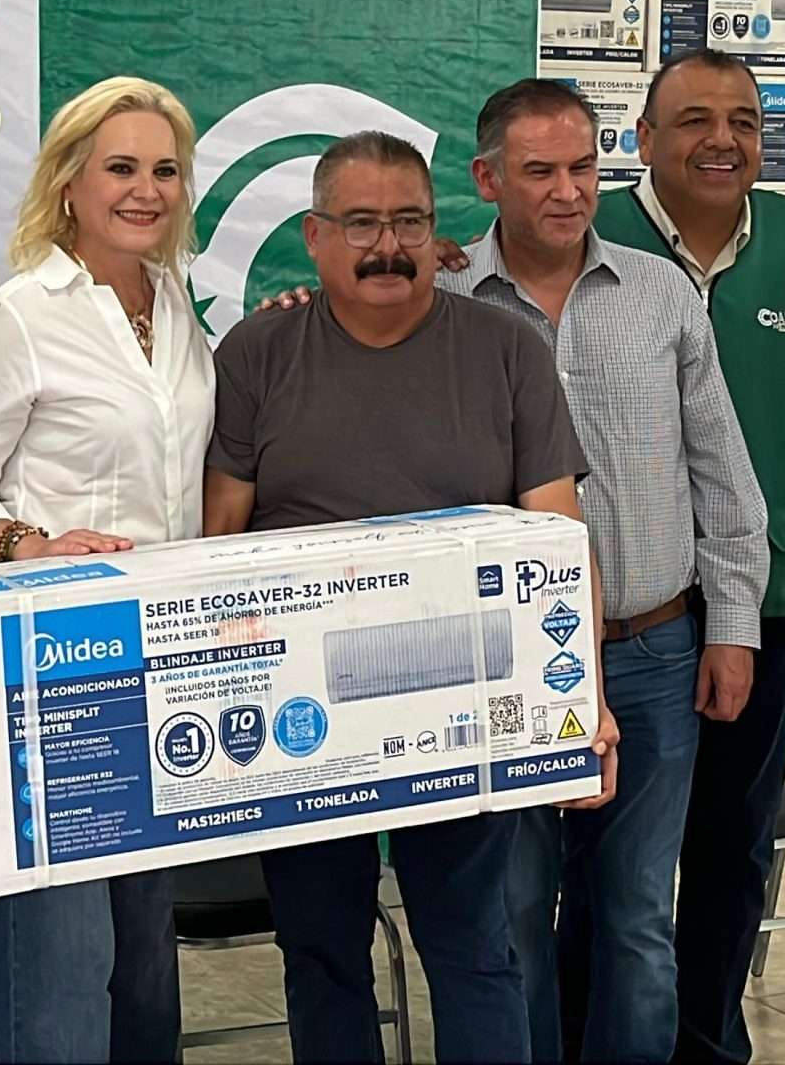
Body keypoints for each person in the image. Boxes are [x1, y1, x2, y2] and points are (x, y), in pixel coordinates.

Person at [204, 129, 608, 1065]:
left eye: (409, 223)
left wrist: (585, 695)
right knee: (321, 950)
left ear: (437, 232)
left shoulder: (506, 348)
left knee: (474, 947)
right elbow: (220, 544)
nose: (387, 247)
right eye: (361, 224)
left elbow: (558, 539)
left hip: (462, 704)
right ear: (314, 236)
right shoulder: (259, 350)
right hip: (301, 718)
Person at [440, 79, 766, 1064]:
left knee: (636, 919)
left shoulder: (662, 293)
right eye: (538, 171)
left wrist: (732, 627)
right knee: (513, 916)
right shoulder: (443, 302)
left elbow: (722, 472)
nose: (567, 191)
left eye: (582, 167)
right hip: (497, 664)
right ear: (487, 179)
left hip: (654, 650)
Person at [0, 77, 209, 1063]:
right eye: (121, 168)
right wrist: (25, 544)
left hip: (161, 665)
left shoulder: (176, 303)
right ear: (68, 184)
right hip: (46, 679)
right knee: (56, 973)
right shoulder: (19, 316)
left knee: (143, 968)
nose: (147, 190)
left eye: (164, 170)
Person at [592, 48, 785, 1064]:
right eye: (695, 119)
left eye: (743, 120)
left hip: (759, 602)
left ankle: (706, 1042)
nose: (722, 140)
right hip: (623, 607)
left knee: (731, 847)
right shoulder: (587, 230)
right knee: (604, 858)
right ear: (643, 139)